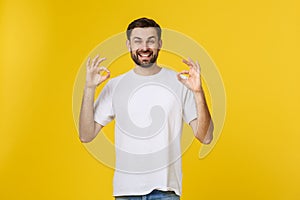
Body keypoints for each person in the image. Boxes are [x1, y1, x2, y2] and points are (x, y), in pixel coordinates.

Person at [79, 17, 214, 200]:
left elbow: (205, 137)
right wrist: (89, 88)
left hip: (166, 191)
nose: (144, 47)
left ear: (159, 44)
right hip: (126, 192)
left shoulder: (180, 83)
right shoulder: (115, 85)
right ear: (128, 45)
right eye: (138, 41)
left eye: (151, 40)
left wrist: (198, 92)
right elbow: (86, 134)